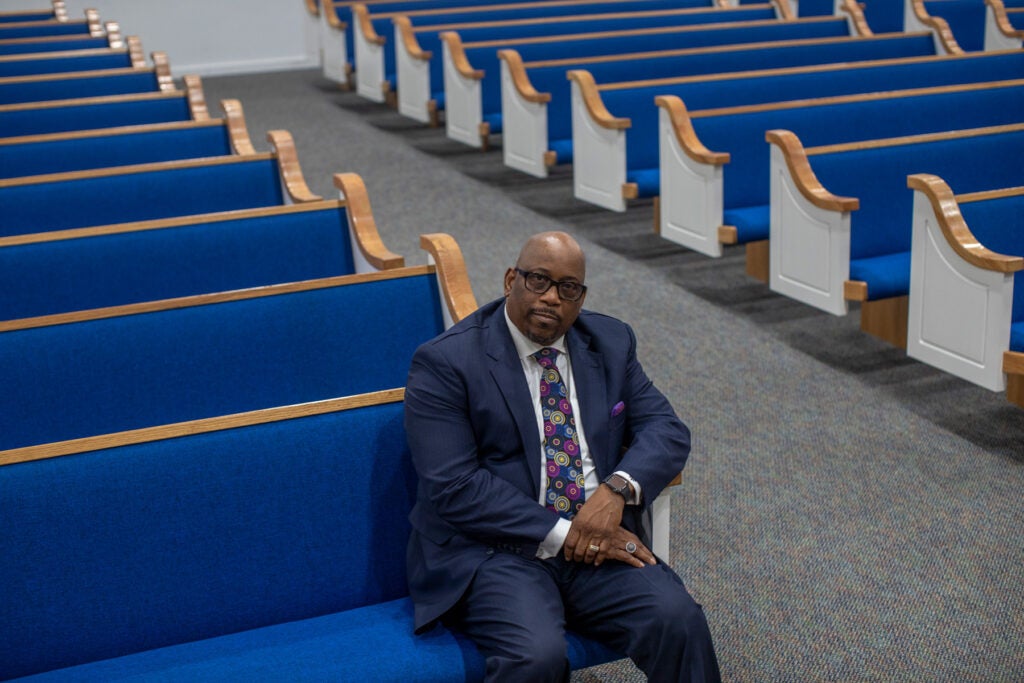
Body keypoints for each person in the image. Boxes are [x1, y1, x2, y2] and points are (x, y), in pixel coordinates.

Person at [404, 231, 720, 682]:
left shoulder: (609, 341)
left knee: (677, 619)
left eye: (567, 288)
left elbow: (666, 429)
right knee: (536, 658)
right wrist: (567, 531)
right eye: (538, 280)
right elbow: (455, 487)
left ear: (581, 296)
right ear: (511, 279)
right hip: (498, 550)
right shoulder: (447, 362)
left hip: (599, 538)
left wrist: (615, 492)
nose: (551, 297)